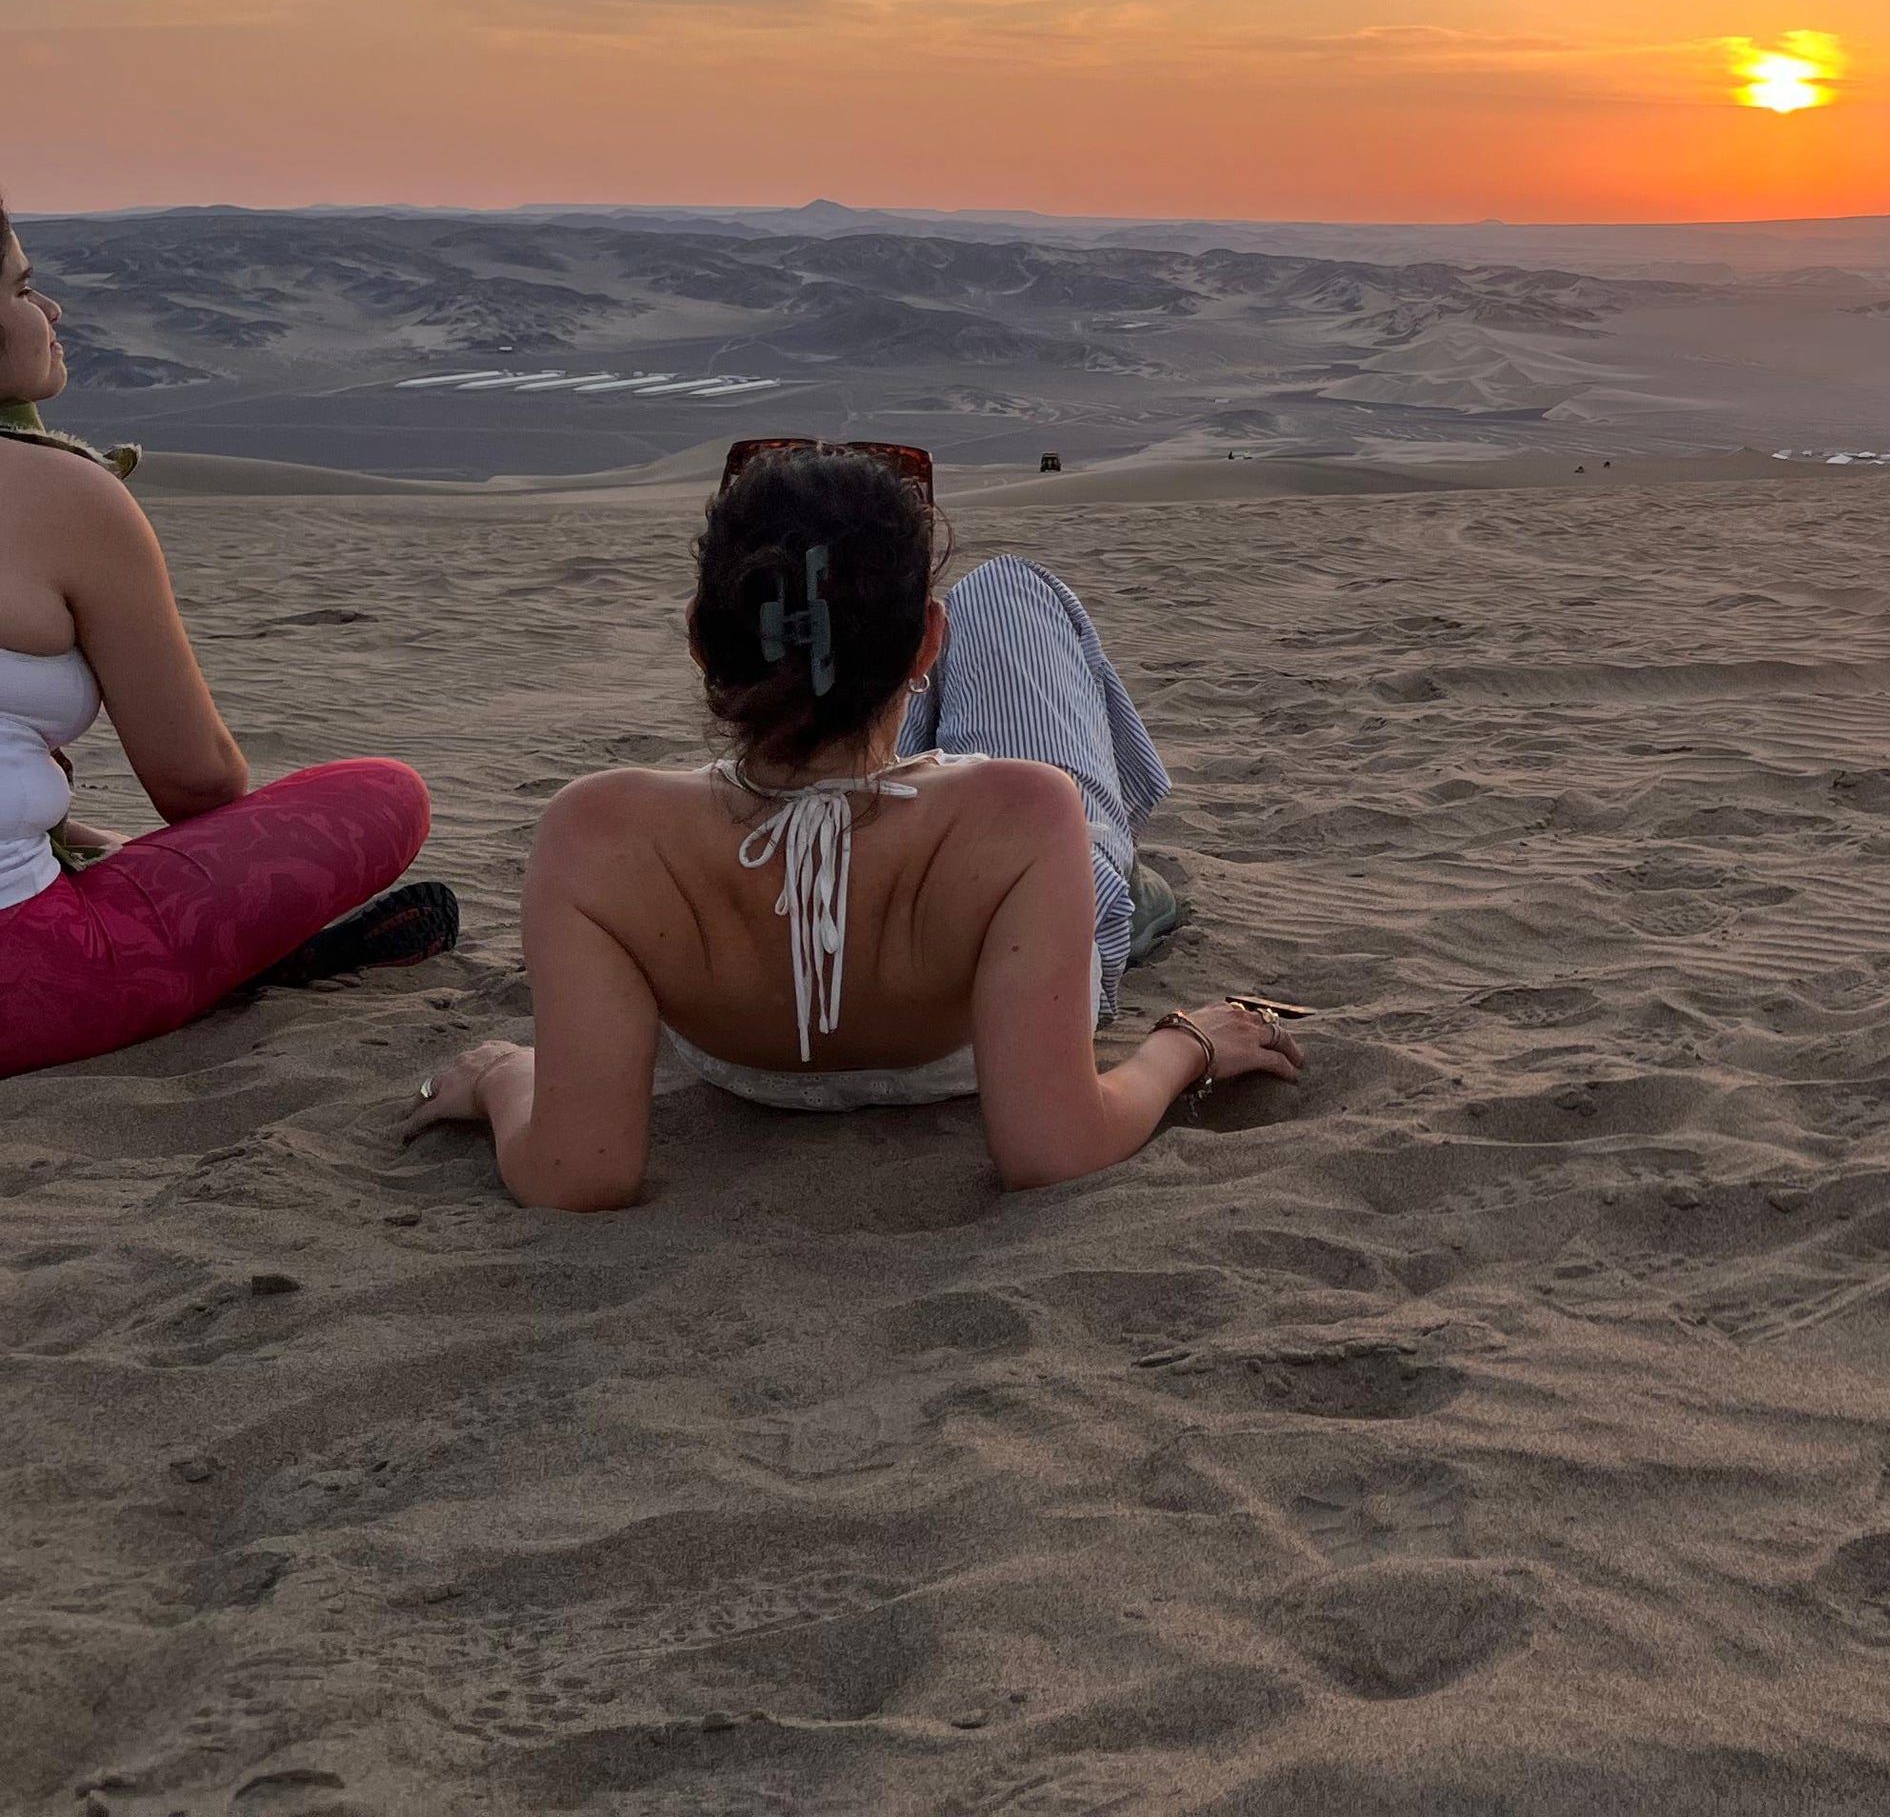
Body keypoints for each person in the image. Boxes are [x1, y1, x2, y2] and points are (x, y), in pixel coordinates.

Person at [404, 445, 1299, 1209]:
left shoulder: (598, 833)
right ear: (928, 642)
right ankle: (1126, 894)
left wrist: (499, 1077)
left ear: (698, 640)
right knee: (1012, 590)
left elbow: (575, 1174)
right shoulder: (1029, 813)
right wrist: (1185, 1048)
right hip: (1001, 907)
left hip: (742, 1048)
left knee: (830, 742)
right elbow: (1055, 1147)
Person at [1, 202, 449, 1079]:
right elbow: (199, 784)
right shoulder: (59, 495)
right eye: (21, 286)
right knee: (383, 794)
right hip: (26, 976)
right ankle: (235, 970)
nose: (51, 311)